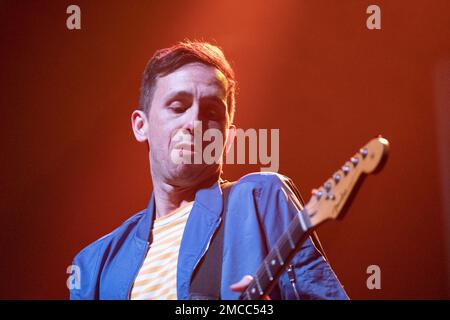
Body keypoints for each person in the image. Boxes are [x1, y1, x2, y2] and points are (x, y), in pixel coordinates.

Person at [69, 40, 348, 300]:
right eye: (178, 107)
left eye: (212, 113)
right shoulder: (94, 264)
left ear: (228, 138)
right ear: (141, 126)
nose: (195, 122)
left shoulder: (261, 198)